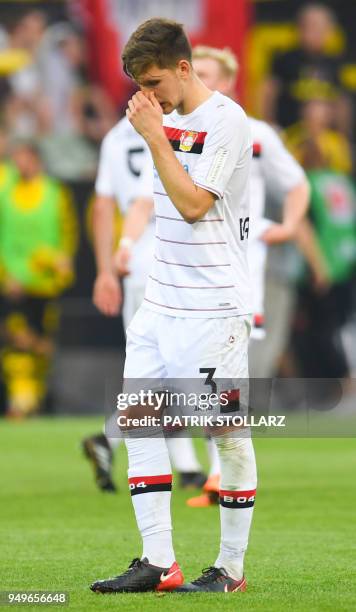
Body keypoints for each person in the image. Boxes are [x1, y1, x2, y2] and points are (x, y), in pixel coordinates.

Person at [90, 17, 255, 595]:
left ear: (184, 68)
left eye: (155, 82)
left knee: (226, 434)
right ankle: (159, 562)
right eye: (139, 86)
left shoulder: (226, 121)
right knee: (140, 422)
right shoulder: (158, 119)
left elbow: (190, 206)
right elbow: (146, 200)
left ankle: (230, 569)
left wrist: (155, 136)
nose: (148, 96)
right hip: (159, 305)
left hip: (214, 309)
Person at [182, 45, 309, 507]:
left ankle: (221, 478)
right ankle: (216, 474)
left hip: (237, 275)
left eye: (209, 74)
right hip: (188, 276)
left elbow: (296, 183)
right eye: (196, 73)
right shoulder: (176, 131)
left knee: (226, 380)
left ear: (230, 81)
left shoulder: (254, 134)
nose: (201, 81)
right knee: (199, 380)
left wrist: (290, 227)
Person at [82, 110, 206, 491]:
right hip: (171, 257)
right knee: (177, 368)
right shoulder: (183, 127)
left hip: (133, 262)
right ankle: (111, 436)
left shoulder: (115, 137)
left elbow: (103, 207)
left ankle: (185, 465)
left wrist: (105, 270)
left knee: (157, 368)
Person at [0, 139, 77, 417]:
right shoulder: (6, 193)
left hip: (45, 284)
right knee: (17, 340)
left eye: (23, 157)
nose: (18, 164)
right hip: (13, 284)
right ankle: (20, 399)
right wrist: (6, 275)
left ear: (35, 158)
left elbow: (67, 236)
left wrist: (62, 266)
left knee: (43, 344)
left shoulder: (54, 193)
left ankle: (35, 400)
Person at [262, 3, 349, 131]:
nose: (316, 33)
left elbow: (342, 102)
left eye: (321, 28)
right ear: (300, 29)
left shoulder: (334, 63)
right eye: (311, 26)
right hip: (289, 132)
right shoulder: (285, 59)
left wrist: (343, 137)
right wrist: (270, 126)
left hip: (325, 138)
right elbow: (268, 92)